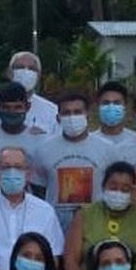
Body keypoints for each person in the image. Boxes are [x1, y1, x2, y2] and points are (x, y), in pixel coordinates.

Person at [33, 92, 117, 229]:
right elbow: (39, 190)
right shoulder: (43, 149)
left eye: (77, 112)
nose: (72, 117)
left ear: (87, 116)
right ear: (58, 118)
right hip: (55, 227)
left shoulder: (107, 148)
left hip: (97, 226)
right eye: (66, 113)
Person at [0, 51, 58, 135]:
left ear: (39, 76)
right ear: (9, 73)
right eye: (20, 67)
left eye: (32, 68)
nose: (26, 72)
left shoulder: (52, 111)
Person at [0, 82, 50, 169]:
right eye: (6, 107)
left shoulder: (42, 140)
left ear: (28, 107)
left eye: (18, 107)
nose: (11, 112)